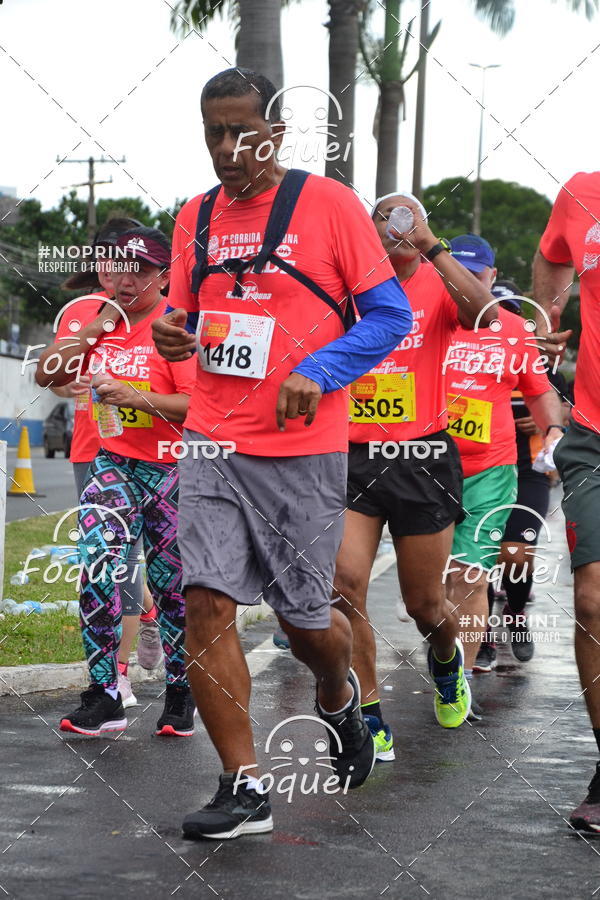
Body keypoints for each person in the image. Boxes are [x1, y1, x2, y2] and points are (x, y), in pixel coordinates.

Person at [152, 67, 413, 840]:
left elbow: (388, 315)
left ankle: (338, 692)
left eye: (244, 132)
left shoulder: (328, 206)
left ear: (279, 130)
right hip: (211, 439)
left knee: (307, 626)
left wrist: (318, 368)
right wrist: (171, 326)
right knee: (204, 603)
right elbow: (183, 309)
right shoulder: (194, 218)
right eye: (214, 135)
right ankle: (245, 787)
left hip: (302, 450)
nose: (228, 150)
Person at [332, 193, 497, 761]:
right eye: (384, 217)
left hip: (422, 458)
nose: (396, 226)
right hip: (351, 456)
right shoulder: (346, 285)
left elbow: (488, 314)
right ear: (367, 229)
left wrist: (432, 245)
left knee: (425, 604)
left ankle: (447, 662)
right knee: (345, 585)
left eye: (408, 217)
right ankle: (369, 716)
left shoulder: (436, 279)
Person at [36, 225, 197, 737]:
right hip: (113, 461)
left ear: (164, 274)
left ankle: (180, 689)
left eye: (142, 270)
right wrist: (95, 328)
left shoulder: (178, 322)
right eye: (118, 267)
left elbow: (199, 406)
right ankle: (105, 693)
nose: (127, 280)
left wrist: (136, 397)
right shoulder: (92, 313)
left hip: (171, 465)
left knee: (171, 584)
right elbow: (46, 374)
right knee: (98, 565)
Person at [444, 236, 565, 707]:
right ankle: (447, 653)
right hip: (427, 464)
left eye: (478, 275)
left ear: (492, 278)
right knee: (429, 588)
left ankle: (466, 671)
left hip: (503, 464)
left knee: (488, 566)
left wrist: (551, 428)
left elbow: (543, 390)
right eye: (461, 274)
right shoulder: (426, 318)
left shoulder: (516, 331)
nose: (471, 284)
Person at [52, 218, 164, 705]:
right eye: (108, 259)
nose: (116, 270)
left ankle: (120, 668)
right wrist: (69, 385)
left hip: (155, 452)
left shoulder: (158, 309)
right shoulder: (80, 311)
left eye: (127, 262)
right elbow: (54, 375)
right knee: (106, 559)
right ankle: (115, 671)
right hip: (92, 447)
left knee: (134, 557)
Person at [532, 170, 600, 832]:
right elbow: (552, 254)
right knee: (591, 599)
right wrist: (547, 317)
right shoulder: (582, 192)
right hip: (594, 437)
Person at [480, 280, 570, 667]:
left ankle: (516, 617)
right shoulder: (472, 357)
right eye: (497, 317)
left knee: (517, 553)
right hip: (481, 467)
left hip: (529, 469)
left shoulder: (544, 367)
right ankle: (481, 633)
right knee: (481, 554)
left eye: (511, 317)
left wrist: (546, 421)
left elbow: (567, 412)